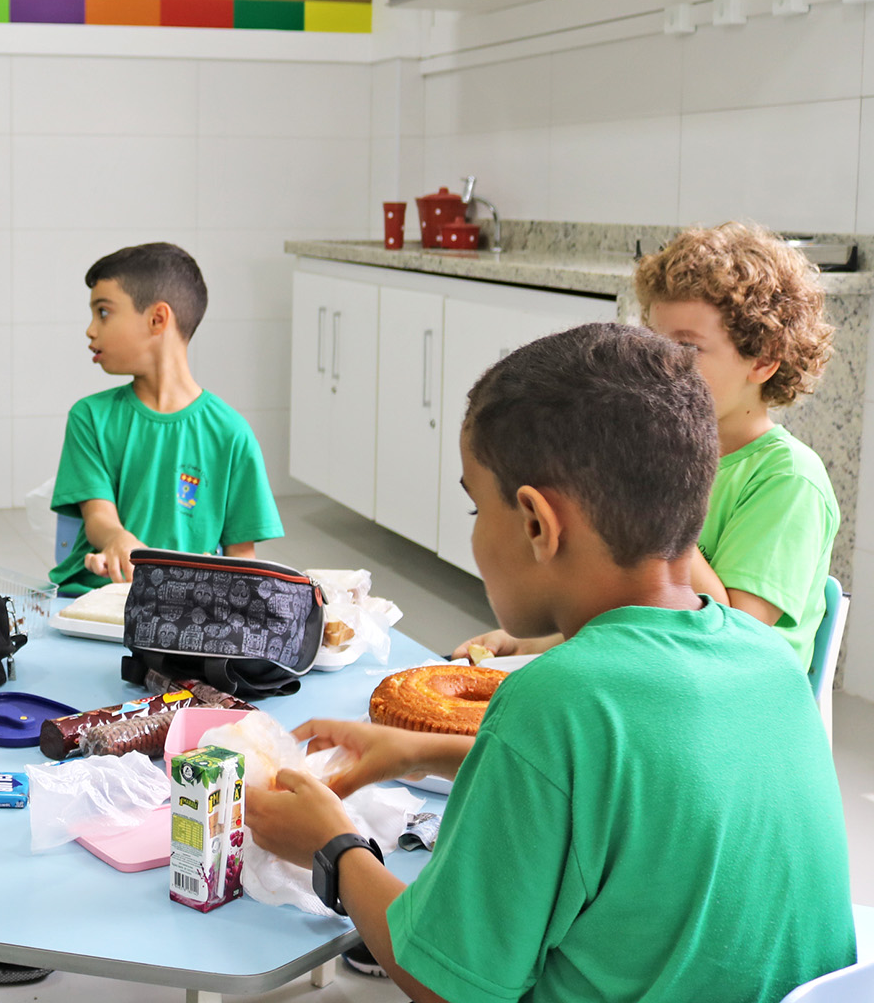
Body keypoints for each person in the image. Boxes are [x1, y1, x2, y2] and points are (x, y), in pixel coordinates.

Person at [245, 323, 855, 1003]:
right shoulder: (769, 663)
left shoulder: (555, 700)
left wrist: (334, 849)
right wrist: (420, 751)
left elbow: (445, 986)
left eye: (476, 507)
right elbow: (630, 795)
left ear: (538, 523)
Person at [457, 223, 837, 670]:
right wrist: (535, 643)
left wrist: (662, 512)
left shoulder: (789, 479)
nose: (663, 364)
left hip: (721, 693)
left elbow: (732, 636)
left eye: (688, 347)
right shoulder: (654, 452)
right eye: (655, 342)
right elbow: (631, 605)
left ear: (765, 360)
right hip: (646, 663)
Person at [49, 243, 283, 594]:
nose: (90, 329)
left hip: (185, 610)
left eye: (104, 312)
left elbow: (242, 559)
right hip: (96, 597)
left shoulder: (231, 434)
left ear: (157, 319)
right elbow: (98, 518)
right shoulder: (90, 417)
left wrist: (222, 586)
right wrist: (117, 540)